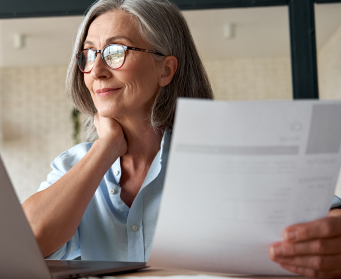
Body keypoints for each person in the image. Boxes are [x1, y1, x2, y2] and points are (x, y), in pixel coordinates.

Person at [21, 0, 341, 277]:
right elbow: (26, 241)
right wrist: (105, 148)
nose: (98, 70)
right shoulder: (72, 166)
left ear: (166, 70)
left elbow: (325, 215)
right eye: (89, 55)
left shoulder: (224, 153)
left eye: (116, 51)